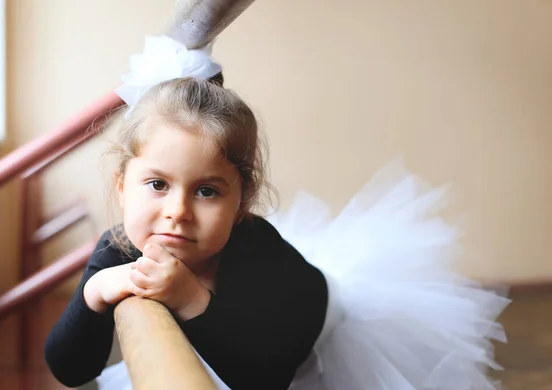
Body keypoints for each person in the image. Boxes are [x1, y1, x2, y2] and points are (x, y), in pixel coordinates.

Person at [45, 36, 509, 390]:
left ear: (241, 201)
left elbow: (265, 377)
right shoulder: (116, 248)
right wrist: (96, 292)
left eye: (206, 191)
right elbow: (68, 369)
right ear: (123, 187)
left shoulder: (257, 248)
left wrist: (190, 299)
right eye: (157, 185)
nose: (178, 212)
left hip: (312, 333)